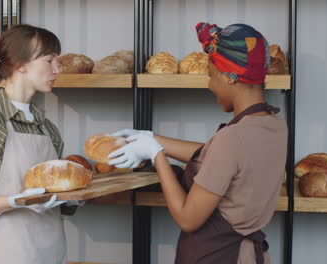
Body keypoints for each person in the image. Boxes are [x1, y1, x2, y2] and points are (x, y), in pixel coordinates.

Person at [108, 23, 288, 264]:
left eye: (211, 75)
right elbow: (222, 158)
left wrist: (157, 155)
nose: (209, 84)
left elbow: (187, 218)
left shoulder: (232, 138)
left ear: (230, 77)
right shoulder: (275, 125)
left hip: (217, 257)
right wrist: (151, 137)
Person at [0, 25, 77, 264]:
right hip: (5, 252)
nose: (57, 69)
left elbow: (58, 204)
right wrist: (16, 201)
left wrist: (72, 196)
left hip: (49, 252)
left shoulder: (47, 126)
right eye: (50, 60)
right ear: (21, 65)